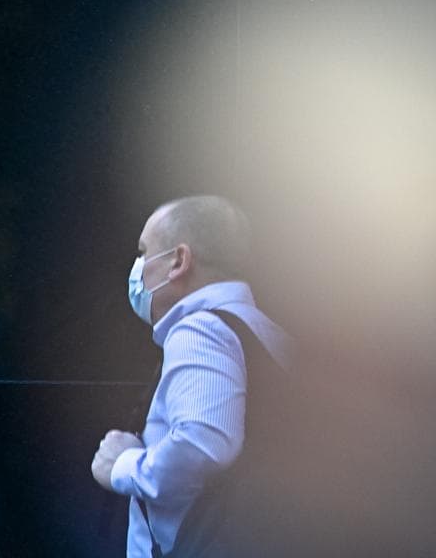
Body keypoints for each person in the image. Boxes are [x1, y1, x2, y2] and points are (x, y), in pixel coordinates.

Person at [90, 195, 294, 558]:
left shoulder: (200, 329)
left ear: (179, 261)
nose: (137, 267)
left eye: (143, 252)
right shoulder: (264, 332)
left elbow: (201, 443)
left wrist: (122, 466)